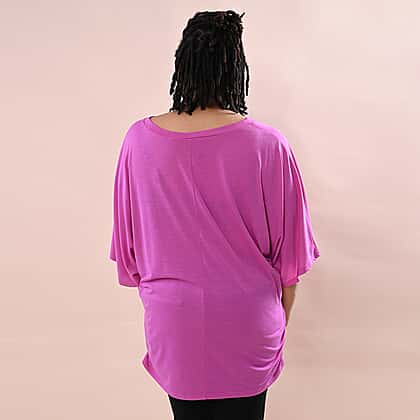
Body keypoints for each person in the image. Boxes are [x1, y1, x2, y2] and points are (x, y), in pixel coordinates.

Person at [109, 9, 320, 420]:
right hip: (249, 321)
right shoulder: (268, 145)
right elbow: (291, 264)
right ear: (236, 68)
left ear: (182, 63)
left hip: (175, 322)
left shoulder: (138, 141)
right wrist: (274, 322)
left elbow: (130, 253)